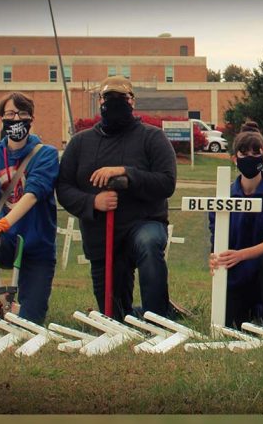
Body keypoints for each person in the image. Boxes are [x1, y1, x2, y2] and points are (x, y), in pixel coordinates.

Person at [56, 75, 177, 321]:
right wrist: (93, 202)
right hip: (102, 238)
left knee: (149, 243)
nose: (114, 103)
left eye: (122, 98)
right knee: (114, 314)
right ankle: (134, 313)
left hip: (143, 223)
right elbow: (64, 188)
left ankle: (158, 317)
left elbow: (166, 182)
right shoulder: (80, 143)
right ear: (99, 101)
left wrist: (126, 173)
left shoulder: (152, 137)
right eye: (108, 98)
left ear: (132, 102)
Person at [0, 92, 59, 327]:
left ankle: (19, 310)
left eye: (22, 114)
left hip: (37, 246)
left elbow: (34, 193)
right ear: (1, 119)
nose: (16, 119)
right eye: (10, 114)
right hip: (6, 240)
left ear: (31, 118)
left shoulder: (46, 154)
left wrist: (4, 223)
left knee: (30, 323)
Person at [208, 121, 263, 329]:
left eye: (255, 152)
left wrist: (240, 255)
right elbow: (217, 240)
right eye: (243, 152)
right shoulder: (223, 197)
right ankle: (249, 311)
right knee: (231, 323)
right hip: (236, 276)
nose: (250, 157)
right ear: (234, 159)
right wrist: (215, 258)